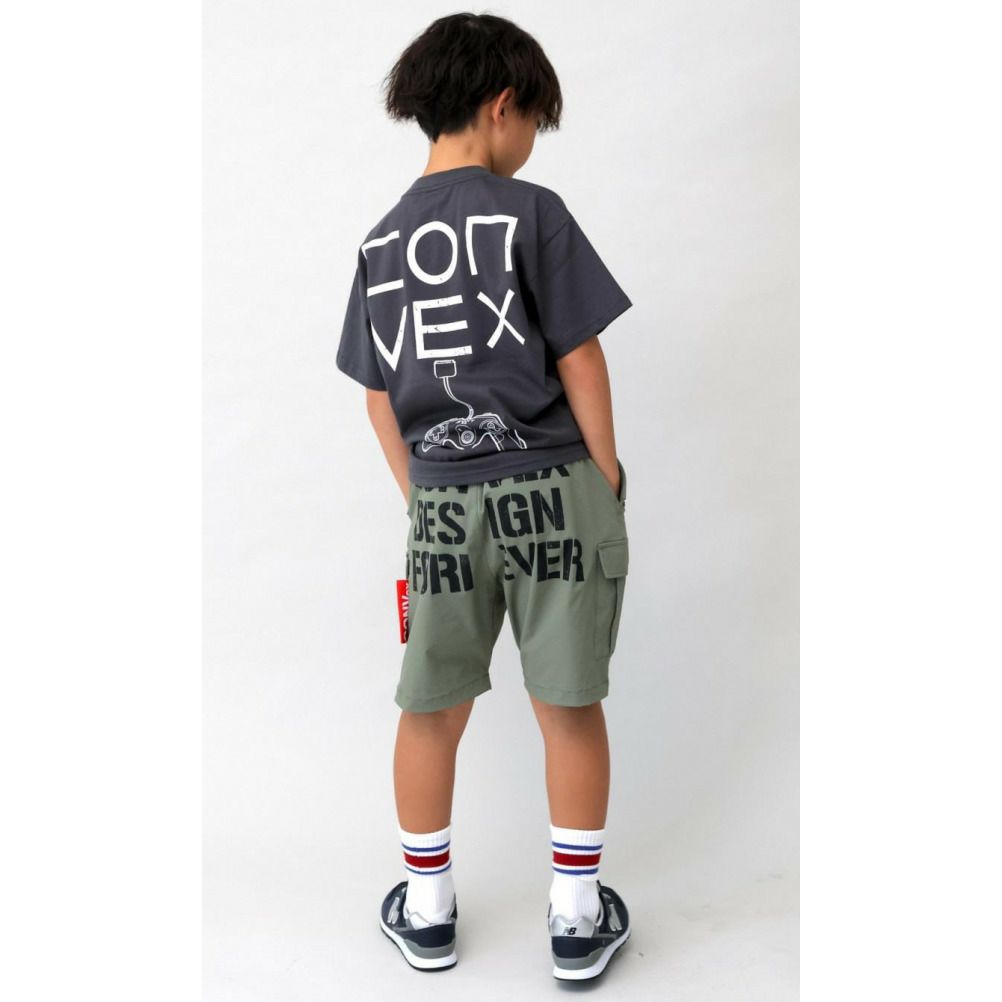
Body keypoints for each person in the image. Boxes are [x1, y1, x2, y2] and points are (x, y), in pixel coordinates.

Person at [335, 12, 634, 982]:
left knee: (430, 708)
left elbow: (378, 396)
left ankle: (426, 910)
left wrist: (423, 497)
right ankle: (577, 916)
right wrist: (605, 474)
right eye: (535, 121)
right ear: (503, 105)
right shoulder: (531, 212)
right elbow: (578, 354)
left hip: (444, 509)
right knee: (569, 702)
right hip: (555, 490)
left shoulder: (382, 243)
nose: (532, 141)